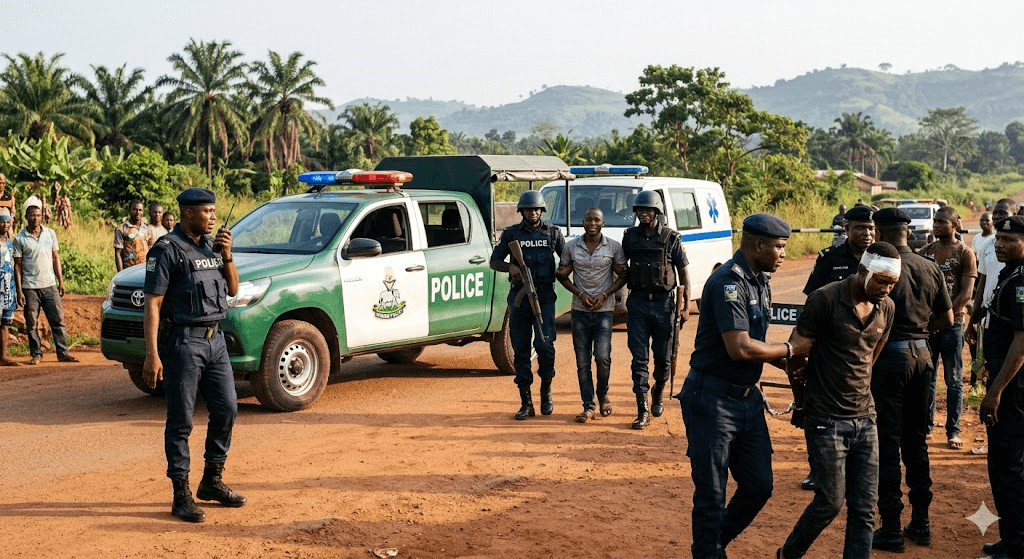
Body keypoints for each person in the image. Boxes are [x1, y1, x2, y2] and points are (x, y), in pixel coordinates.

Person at [680, 213, 812, 559]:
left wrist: (787, 362)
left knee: (759, 486)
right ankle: (708, 551)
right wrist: (790, 349)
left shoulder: (759, 280)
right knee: (711, 493)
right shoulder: (729, 282)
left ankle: (712, 542)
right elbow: (739, 347)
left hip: (746, 400)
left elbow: (757, 344)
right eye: (779, 247)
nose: (783, 254)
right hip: (711, 400)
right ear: (758, 245)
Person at [777, 242, 899, 559]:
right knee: (829, 502)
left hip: (865, 419)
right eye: (881, 281)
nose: (886, 289)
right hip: (825, 419)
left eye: (892, 283)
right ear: (863, 271)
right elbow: (796, 353)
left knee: (864, 508)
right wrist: (801, 403)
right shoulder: (825, 299)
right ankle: (787, 555)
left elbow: (872, 355)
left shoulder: (886, 307)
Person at [142, 187, 245, 523]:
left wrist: (227, 255)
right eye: (207, 211)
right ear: (187, 213)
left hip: (215, 342)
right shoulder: (167, 249)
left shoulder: (212, 249)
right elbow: (154, 305)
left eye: (215, 211)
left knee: (227, 408)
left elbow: (232, 289)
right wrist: (151, 354)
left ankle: (212, 481)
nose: (213, 217)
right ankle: (181, 494)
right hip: (184, 343)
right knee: (181, 420)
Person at [870, 207, 953, 553]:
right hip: (922, 357)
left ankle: (890, 528)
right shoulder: (929, 265)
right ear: (907, 232)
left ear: (882, 234)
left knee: (887, 443)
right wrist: (921, 335)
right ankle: (921, 522)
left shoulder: (881, 267)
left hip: (889, 359)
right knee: (916, 442)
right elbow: (947, 319)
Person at [799, 204, 875, 490]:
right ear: (846, 229)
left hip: (866, 346)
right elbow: (812, 296)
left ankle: (856, 471)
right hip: (829, 347)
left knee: (863, 412)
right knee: (819, 409)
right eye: (860, 228)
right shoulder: (830, 259)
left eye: (870, 228)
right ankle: (818, 469)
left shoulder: (880, 258)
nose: (866, 233)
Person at [490, 190, 565, 420]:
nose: (532, 213)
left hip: (544, 296)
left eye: (536, 209)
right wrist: (510, 268)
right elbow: (494, 261)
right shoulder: (512, 234)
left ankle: (546, 391)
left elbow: (567, 260)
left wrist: (563, 273)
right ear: (521, 211)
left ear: (541, 211)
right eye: (528, 209)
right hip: (519, 299)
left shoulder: (552, 233)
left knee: (545, 346)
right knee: (521, 351)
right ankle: (526, 402)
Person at [621, 191, 690, 429]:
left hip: (664, 305)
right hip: (638, 303)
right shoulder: (629, 237)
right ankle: (643, 410)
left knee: (663, 359)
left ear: (657, 212)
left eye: (648, 210)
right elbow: (622, 267)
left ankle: (658, 391)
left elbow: (683, 274)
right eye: (640, 210)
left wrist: (685, 306)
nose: (643, 213)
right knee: (639, 360)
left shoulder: (671, 238)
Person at [978, 215, 1024, 559]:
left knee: (1009, 466)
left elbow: (1021, 343)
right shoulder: (1010, 274)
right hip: (1006, 382)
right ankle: (1012, 538)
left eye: (1009, 240)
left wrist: (995, 392)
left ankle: (1017, 545)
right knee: (1007, 464)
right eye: (999, 239)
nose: (1000, 245)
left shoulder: (1022, 281)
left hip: (1014, 390)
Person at [556, 207, 626, 423]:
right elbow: (562, 275)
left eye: (597, 219)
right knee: (582, 362)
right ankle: (588, 406)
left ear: (603, 223)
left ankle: (603, 395)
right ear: (583, 222)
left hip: (604, 313)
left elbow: (623, 275)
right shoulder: (571, 247)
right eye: (588, 219)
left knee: (603, 358)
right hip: (579, 312)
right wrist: (580, 294)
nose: (592, 223)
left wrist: (606, 294)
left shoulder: (614, 247)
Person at [920, 206, 976, 450]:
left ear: (956, 225)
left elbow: (966, 293)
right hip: (929, 325)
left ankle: (953, 430)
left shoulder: (965, 253)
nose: (937, 225)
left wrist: (945, 316)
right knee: (927, 378)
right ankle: (927, 426)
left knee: (953, 380)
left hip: (952, 325)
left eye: (943, 222)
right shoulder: (925, 252)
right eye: (935, 221)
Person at [13, 203, 78, 365]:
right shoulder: (20, 238)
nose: (35, 218)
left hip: (50, 285)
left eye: (38, 215)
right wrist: (19, 291)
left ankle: (63, 353)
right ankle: (36, 354)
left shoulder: (50, 234)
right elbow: (18, 266)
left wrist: (60, 281)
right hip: (30, 288)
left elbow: (56, 258)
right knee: (32, 323)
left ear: (43, 217)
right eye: (32, 215)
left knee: (58, 321)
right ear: (26, 217)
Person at [969, 200, 1019, 387]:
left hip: (1012, 318)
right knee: (992, 364)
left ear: (1015, 213)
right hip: (990, 318)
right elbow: (982, 281)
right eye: (995, 213)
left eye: (1003, 213)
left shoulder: (1018, 246)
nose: (997, 217)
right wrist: (974, 316)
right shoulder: (990, 245)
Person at [0, 207, 19, 366]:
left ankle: (3, 356)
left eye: (8, 222)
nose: (5, 225)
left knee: (4, 323)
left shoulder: (11, 244)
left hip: (7, 289)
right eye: (2, 222)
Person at [114, 199, 152, 272]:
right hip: (129, 270)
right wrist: (120, 273)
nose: (138, 212)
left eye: (140, 210)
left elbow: (152, 251)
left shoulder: (148, 228)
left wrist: (151, 270)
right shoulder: (122, 229)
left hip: (144, 270)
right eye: (134, 209)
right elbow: (118, 253)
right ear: (129, 211)